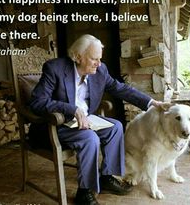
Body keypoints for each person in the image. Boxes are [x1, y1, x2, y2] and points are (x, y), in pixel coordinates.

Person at [29, 34, 163, 205]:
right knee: (90, 138)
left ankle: (107, 177)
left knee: (116, 126)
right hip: (57, 125)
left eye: (100, 58)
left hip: (84, 121)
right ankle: (84, 192)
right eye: (94, 59)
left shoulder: (100, 70)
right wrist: (71, 109)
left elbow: (120, 88)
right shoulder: (54, 68)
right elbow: (37, 102)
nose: (99, 64)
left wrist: (151, 102)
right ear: (78, 56)